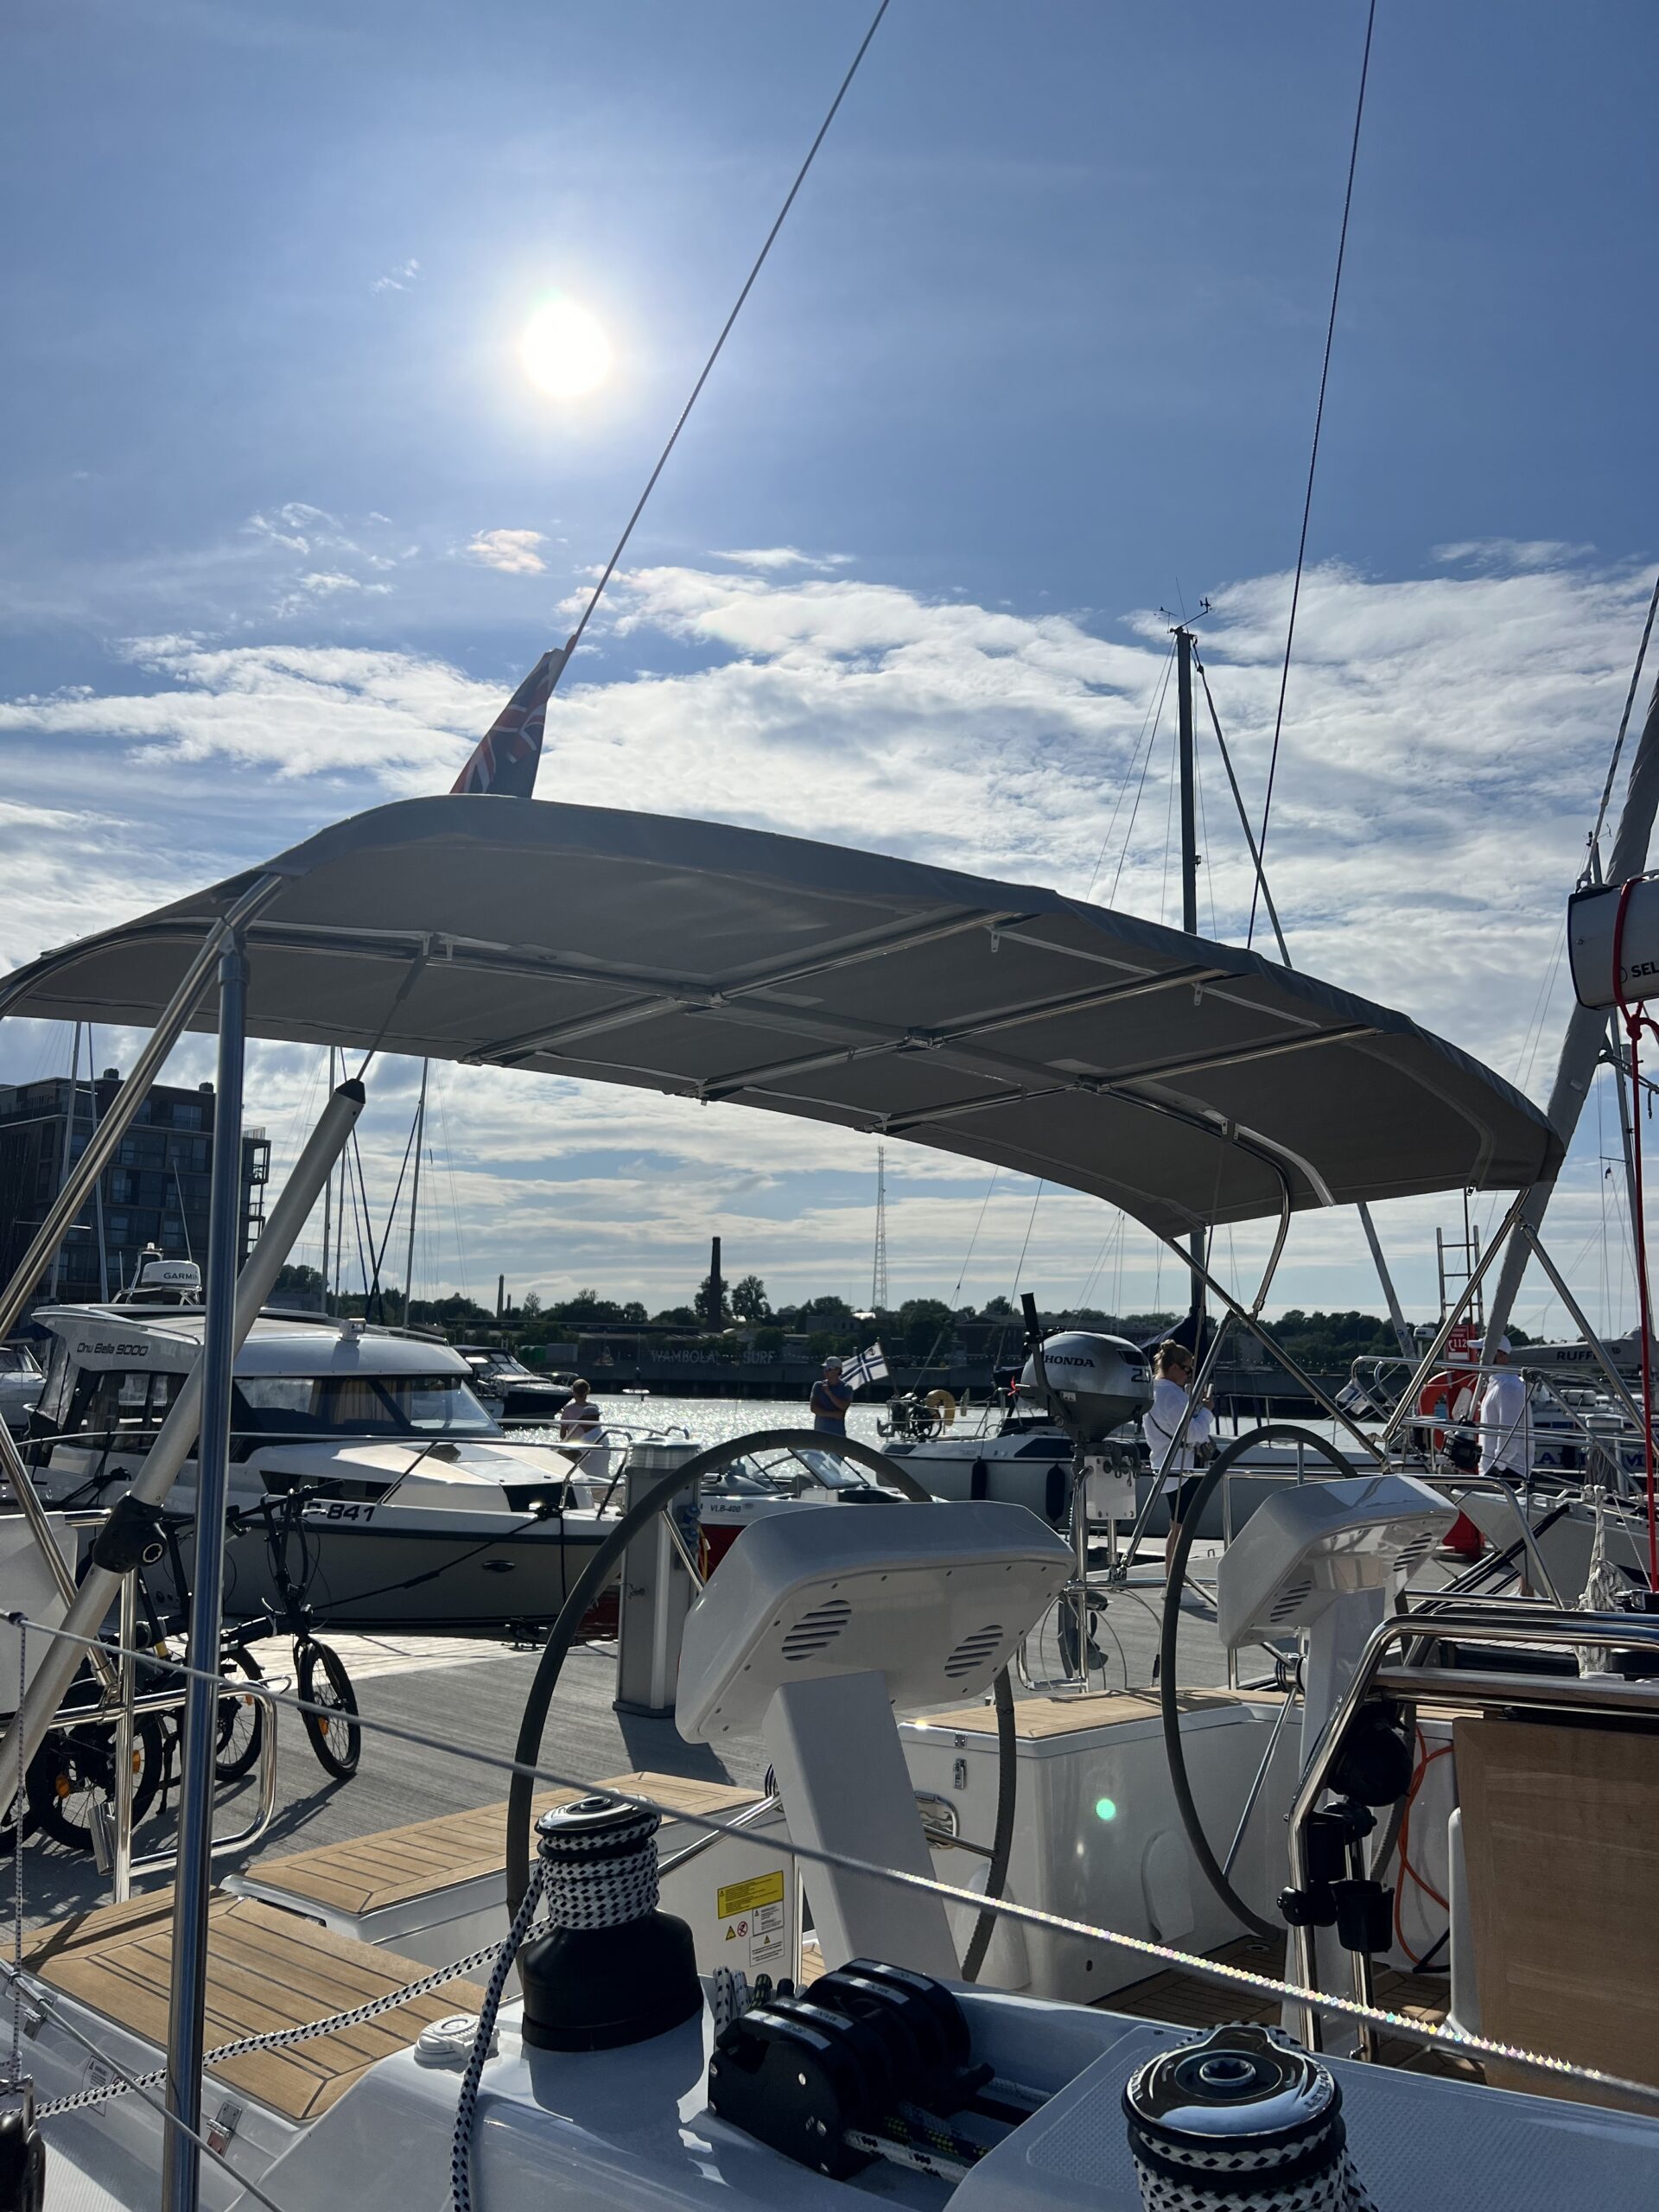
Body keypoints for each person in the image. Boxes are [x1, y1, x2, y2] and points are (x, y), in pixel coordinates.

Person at [1142, 1339, 1213, 1577]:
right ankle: (1173, 1578)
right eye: (1187, 1369)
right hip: (1182, 1469)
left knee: (1177, 1526)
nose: (1189, 1375)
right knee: (1181, 1527)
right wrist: (1207, 1411)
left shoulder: (1153, 1391)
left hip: (1164, 1465)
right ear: (1174, 1367)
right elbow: (1193, 1434)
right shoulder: (1173, 1395)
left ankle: (1172, 1577)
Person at [1478, 1336, 1532, 1486]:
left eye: (1482, 1352)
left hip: (1507, 1470)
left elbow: (1509, 1433)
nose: (1479, 1357)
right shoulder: (1499, 1384)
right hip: (1497, 1468)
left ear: (1500, 1354)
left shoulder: (1508, 1387)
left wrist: (1497, 1467)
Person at [557, 1377, 602, 1465]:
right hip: (590, 1446)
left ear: (574, 1393)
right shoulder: (594, 1408)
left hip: (573, 1446)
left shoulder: (568, 1410)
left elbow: (563, 1434)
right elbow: (596, 1428)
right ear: (587, 1392)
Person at [810, 1357, 854, 1436]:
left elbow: (843, 1406)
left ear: (837, 1370)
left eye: (829, 1369)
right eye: (824, 1368)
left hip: (838, 1435)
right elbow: (814, 1408)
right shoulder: (818, 1385)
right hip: (820, 1433)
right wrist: (833, 1414)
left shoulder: (846, 1388)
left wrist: (829, 1393)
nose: (825, 1371)